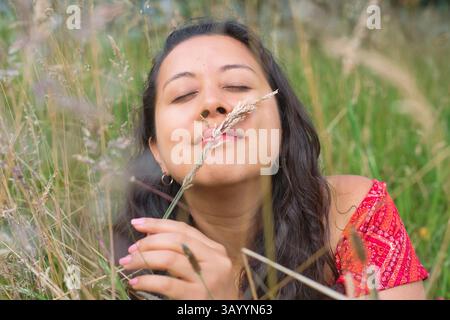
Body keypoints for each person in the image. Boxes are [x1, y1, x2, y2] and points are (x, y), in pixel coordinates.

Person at [113, 18, 428, 300]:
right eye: (183, 94)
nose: (212, 103)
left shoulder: (352, 214)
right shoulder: (126, 259)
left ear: (282, 123)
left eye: (237, 85)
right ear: (157, 152)